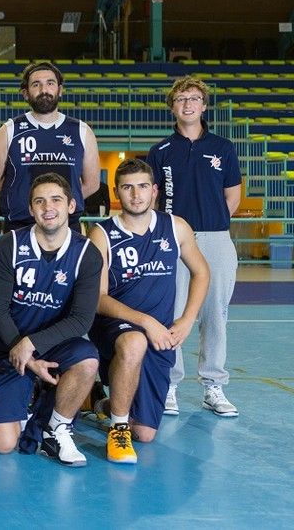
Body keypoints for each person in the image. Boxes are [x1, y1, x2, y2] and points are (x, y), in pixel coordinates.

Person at [87, 159, 209, 463]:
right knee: (134, 341)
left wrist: (187, 320)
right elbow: (98, 299)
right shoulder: (102, 234)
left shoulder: (176, 227)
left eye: (142, 186)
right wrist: (145, 321)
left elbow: (202, 272)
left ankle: (101, 402)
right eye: (127, 187)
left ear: (154, 190)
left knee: (144, 433)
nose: (136, 194)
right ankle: (118, 429)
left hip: (159, 336)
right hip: (115, 326)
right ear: (116, 192)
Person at [0, 173, 102, 467]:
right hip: (6, 348)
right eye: (40, 201)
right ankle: (15, 402)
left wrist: (31, 344)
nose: (48, 208)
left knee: (87, 361)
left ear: (71, 206)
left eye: (56, 200)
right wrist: (24, 353)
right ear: (31, 208)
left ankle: (56, 428)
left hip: (51, 345)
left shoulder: (86, 254)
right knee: (5, 445)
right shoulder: (9, 245)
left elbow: (82, 320)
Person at [146, 76, 242, 417]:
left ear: (204, 106)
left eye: (194, 98)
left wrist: (210, 223)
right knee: (172, 313)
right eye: (181, 98)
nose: (188, 104)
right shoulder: (160, 151)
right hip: (173, 239)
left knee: (215, 314)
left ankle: (213, 385)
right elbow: (152, 199)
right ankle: (170, 384)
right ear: (172, 107)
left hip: (216, 238)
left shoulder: (223, 147)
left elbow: (233, 197)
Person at [0, 61, 100, 231]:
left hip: (67, 226)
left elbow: (92, 184)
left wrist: (58, 204)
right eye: (36, 84)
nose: (44, 90)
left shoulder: (82, 131)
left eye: (50, 83)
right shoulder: (9, 130)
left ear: (60, 90)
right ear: (25, 93)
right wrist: (21, 197)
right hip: (20, 225)